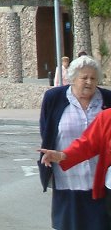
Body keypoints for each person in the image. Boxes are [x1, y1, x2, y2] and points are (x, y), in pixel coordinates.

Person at [38, 55, 111, 230]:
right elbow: (89, 143)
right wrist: (62, 155)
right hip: (68, 177)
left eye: (93, 78)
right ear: (73, 78)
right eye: (84, 77)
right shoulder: (107, 117)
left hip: (99, 178)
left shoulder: (106, 102)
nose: (89, 82)